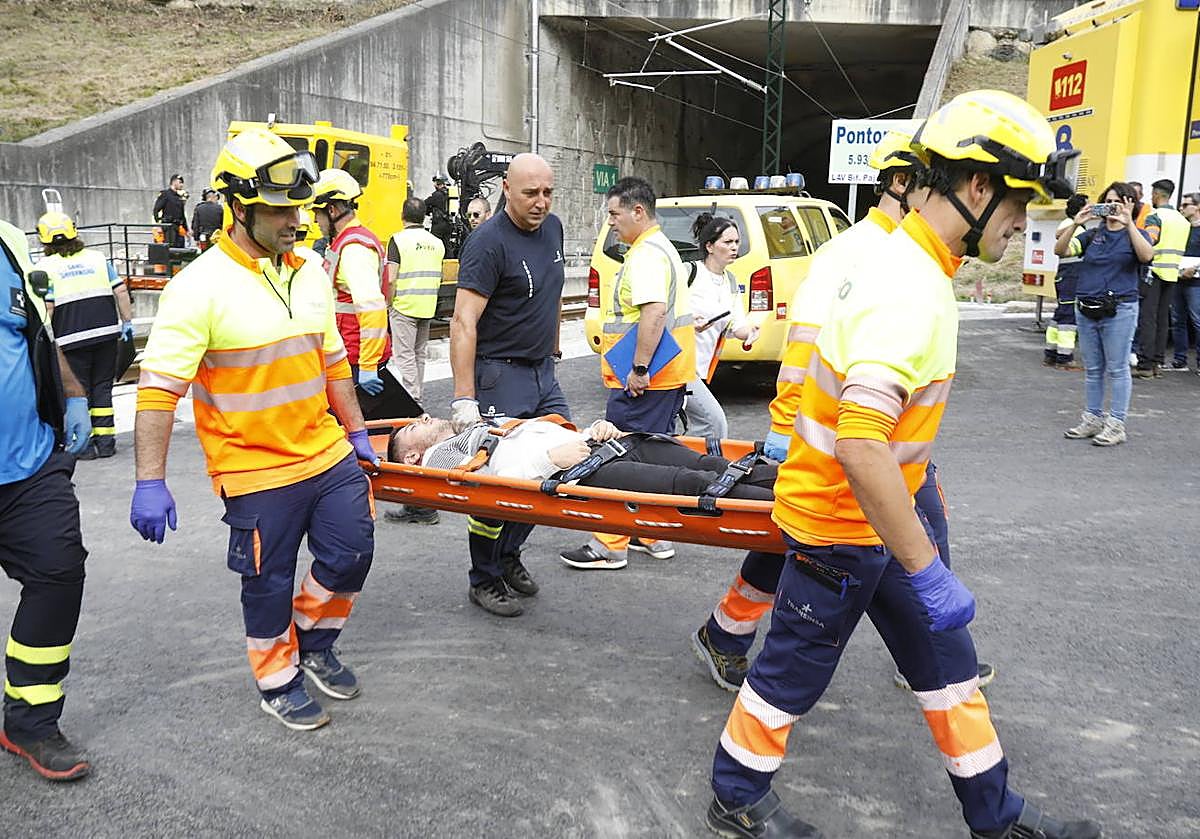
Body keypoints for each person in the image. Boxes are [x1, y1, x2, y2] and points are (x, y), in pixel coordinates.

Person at [705, 90, 1100, 839]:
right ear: (977, 188)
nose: (1022, 225)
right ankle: (735, 794)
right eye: (1019, 206)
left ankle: (996, 814)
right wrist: (926, 565)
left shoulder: (902, 260)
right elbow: (860, 442)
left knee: (949, 668)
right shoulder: (909, 289)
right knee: (790, 674)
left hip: (879, 516)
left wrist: (913, 538)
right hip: (840, 526)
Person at [695, 126, 993, 695]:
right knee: (916, 554)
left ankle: (726, 633)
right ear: (905, 185)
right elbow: (803, 350)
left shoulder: (903, 254)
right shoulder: (863, 255)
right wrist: (788, 433)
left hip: (873, 442)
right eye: (928, 179)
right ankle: (939, 665)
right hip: (855, 448)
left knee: (801, 550)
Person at [130, 128, 379, 732]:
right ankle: (278, 678)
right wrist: (149, 480)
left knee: (352, 552)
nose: (296, 219)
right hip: (254, 467)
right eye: (280, 208)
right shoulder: (198, 287)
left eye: (299, 206)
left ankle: (314, 642)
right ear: (240, 207)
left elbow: (332, 364)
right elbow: (160, 390)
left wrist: (356, 431)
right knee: (266, 580)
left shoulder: (311, 274)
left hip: (323, 451)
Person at [448, 152, 569, 617]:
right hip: (500, 375)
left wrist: (553, 348)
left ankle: (508, 555)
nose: (540, 203)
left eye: (547, 193)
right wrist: (464, 398)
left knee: (558, 469)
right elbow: (463, 322)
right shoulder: (488, 242)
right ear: (506, 189)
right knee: (500, 483)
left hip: (542, 373)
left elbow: (553, 294)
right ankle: (484, 577)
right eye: (530, 193)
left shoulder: (553, 229)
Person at [559, 176, 696, 572]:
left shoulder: (647, 255)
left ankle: (609, 543)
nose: (611, 223)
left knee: (616, 456)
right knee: (650, 456)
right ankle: (650, 534)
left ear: (638, 211)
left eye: (614, 214)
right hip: (665, 375)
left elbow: (653, 313)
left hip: (644, 379)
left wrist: (637, 369)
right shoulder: (659, 249)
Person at [0, 217, 93, 781]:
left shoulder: (6, 239)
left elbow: (34, 329)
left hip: (29, 466)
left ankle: (30, 721)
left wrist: (75, 393)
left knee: (59, 574)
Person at [388, 415, 774, 501]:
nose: (423, 417)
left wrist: (592, 429)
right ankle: (797, 505)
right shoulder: (438, 461)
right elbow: (494, 480)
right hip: (580, 469)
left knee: (708, 465)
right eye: (412, 427)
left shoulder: (473, 432)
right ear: (412, 456)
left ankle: (800, 482)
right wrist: (551, 461)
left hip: (594, 443)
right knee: (697, 485)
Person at [1056, 182, 1154, 447]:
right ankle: (1093, 418)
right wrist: (1076, 224)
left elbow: (1146, 256)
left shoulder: (1137, 234)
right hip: (1087, 307)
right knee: (1093, 369)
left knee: (1118, 368)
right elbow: (1062, 250)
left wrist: (1128, 222)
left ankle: (1116, 424)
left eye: (1118, 202)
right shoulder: (1092, 235)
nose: (1112, 207)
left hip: (1120, 309)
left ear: (1129, 204)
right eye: (1108, 201)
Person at [36, 211, 134, 459]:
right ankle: (107, 441)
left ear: (44, 240)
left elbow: (47, 308)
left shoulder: (44, 267)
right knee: (103, 387)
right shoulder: (98, 258)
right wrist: (127, 323)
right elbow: (120, 291)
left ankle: (86, 445)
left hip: (69, 340)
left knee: (79, 391)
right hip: (106, 334)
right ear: (74, 232)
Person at [310, 169, 390, 399]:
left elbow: (373, 310)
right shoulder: (348, 241)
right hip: (351, 353)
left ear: (332, 210)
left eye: (318, 213)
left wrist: (367, 366)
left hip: (355, 358)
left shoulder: (354, 248)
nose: (315, 220)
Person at [683, 213, 758, 441]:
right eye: (727, 242)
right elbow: (663, 312)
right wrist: (689, 322)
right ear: (710, 246)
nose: (734, 247)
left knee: (681, 426)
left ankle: (687, 467)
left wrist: (749, 333)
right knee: (713, 423)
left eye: (736, 242)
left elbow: (737, 325)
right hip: (676, 365)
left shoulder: (731, 281)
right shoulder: (689, 273)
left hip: (700, 369)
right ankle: (706, 468)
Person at [385, 197, 445, 404]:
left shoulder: (397, 240)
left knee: (404, 356)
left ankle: (413, 398)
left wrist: (388, 303)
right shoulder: (437, 243)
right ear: (424, 217)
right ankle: (417, 398)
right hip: (427, 306)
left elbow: (391, 278)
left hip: (403, 306)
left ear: (402, 216)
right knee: (419, 354)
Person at [1134, 179, 1188, 378]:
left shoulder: (1155, 216)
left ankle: (1145, 365)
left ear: (1157, 194)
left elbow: (1150, 240)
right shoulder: (1183, 220)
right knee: (1162, 319)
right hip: (1172, 274)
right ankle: (1157, 361)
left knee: (1148, 318)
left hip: (1153, 271)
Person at [1044, 193, 1089, 369]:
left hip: (1067, 273)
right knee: (1069, 315)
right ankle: (1065, 357)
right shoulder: (1071, 224)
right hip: (1071, 274)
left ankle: (1051, 353)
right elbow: (1058, 234)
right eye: (1087, 205)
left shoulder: (1071, 223)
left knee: (1061, 314)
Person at [1168, 191, 1200, 372]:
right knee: (1177, 319)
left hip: (1196, 281)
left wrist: (1194, 269)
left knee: (1197, 320)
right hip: (1178, 277)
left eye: (1186, 205)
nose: (1182, 208)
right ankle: (1179, 361)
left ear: (1197, 207)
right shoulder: (1182, 229)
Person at [152, 174, 188, 247]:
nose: (182, 184)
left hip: (178, 226)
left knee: (180, 248)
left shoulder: (179, 197)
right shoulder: (165, 194)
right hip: (168, 226)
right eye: (180, 182)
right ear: (174, 182)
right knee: (170, 248)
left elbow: (182, 214)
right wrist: (158, 225)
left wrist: (186, 229)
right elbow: (156, 210)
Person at [425, 172, 452, 249]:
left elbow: (425, 203)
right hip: (449, 224)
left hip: (438, 224)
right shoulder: (450, 193)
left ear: (438, 183)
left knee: (434, 245)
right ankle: (450, 260)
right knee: (447, 245)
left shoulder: (436, 195)